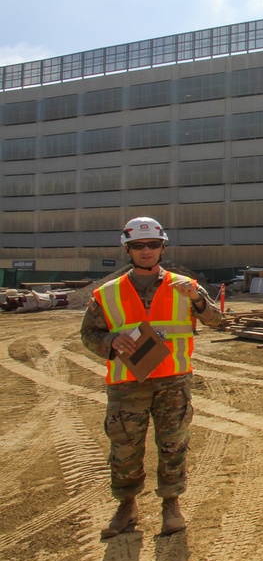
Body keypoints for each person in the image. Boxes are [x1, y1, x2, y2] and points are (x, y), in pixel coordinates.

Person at [80, 217, 224, 539]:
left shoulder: (184, 286)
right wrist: (110, 341)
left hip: (172, 380)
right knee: (125, 448)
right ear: (128, 249)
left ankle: (171, 505)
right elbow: (88, 334)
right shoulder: (107, 293)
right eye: (139, 246)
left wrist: (197, 299)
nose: (146, 251)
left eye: (153, 245)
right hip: (126, 384)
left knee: (173, 444)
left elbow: (217, 320)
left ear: (162, 247)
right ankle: (126, 505)